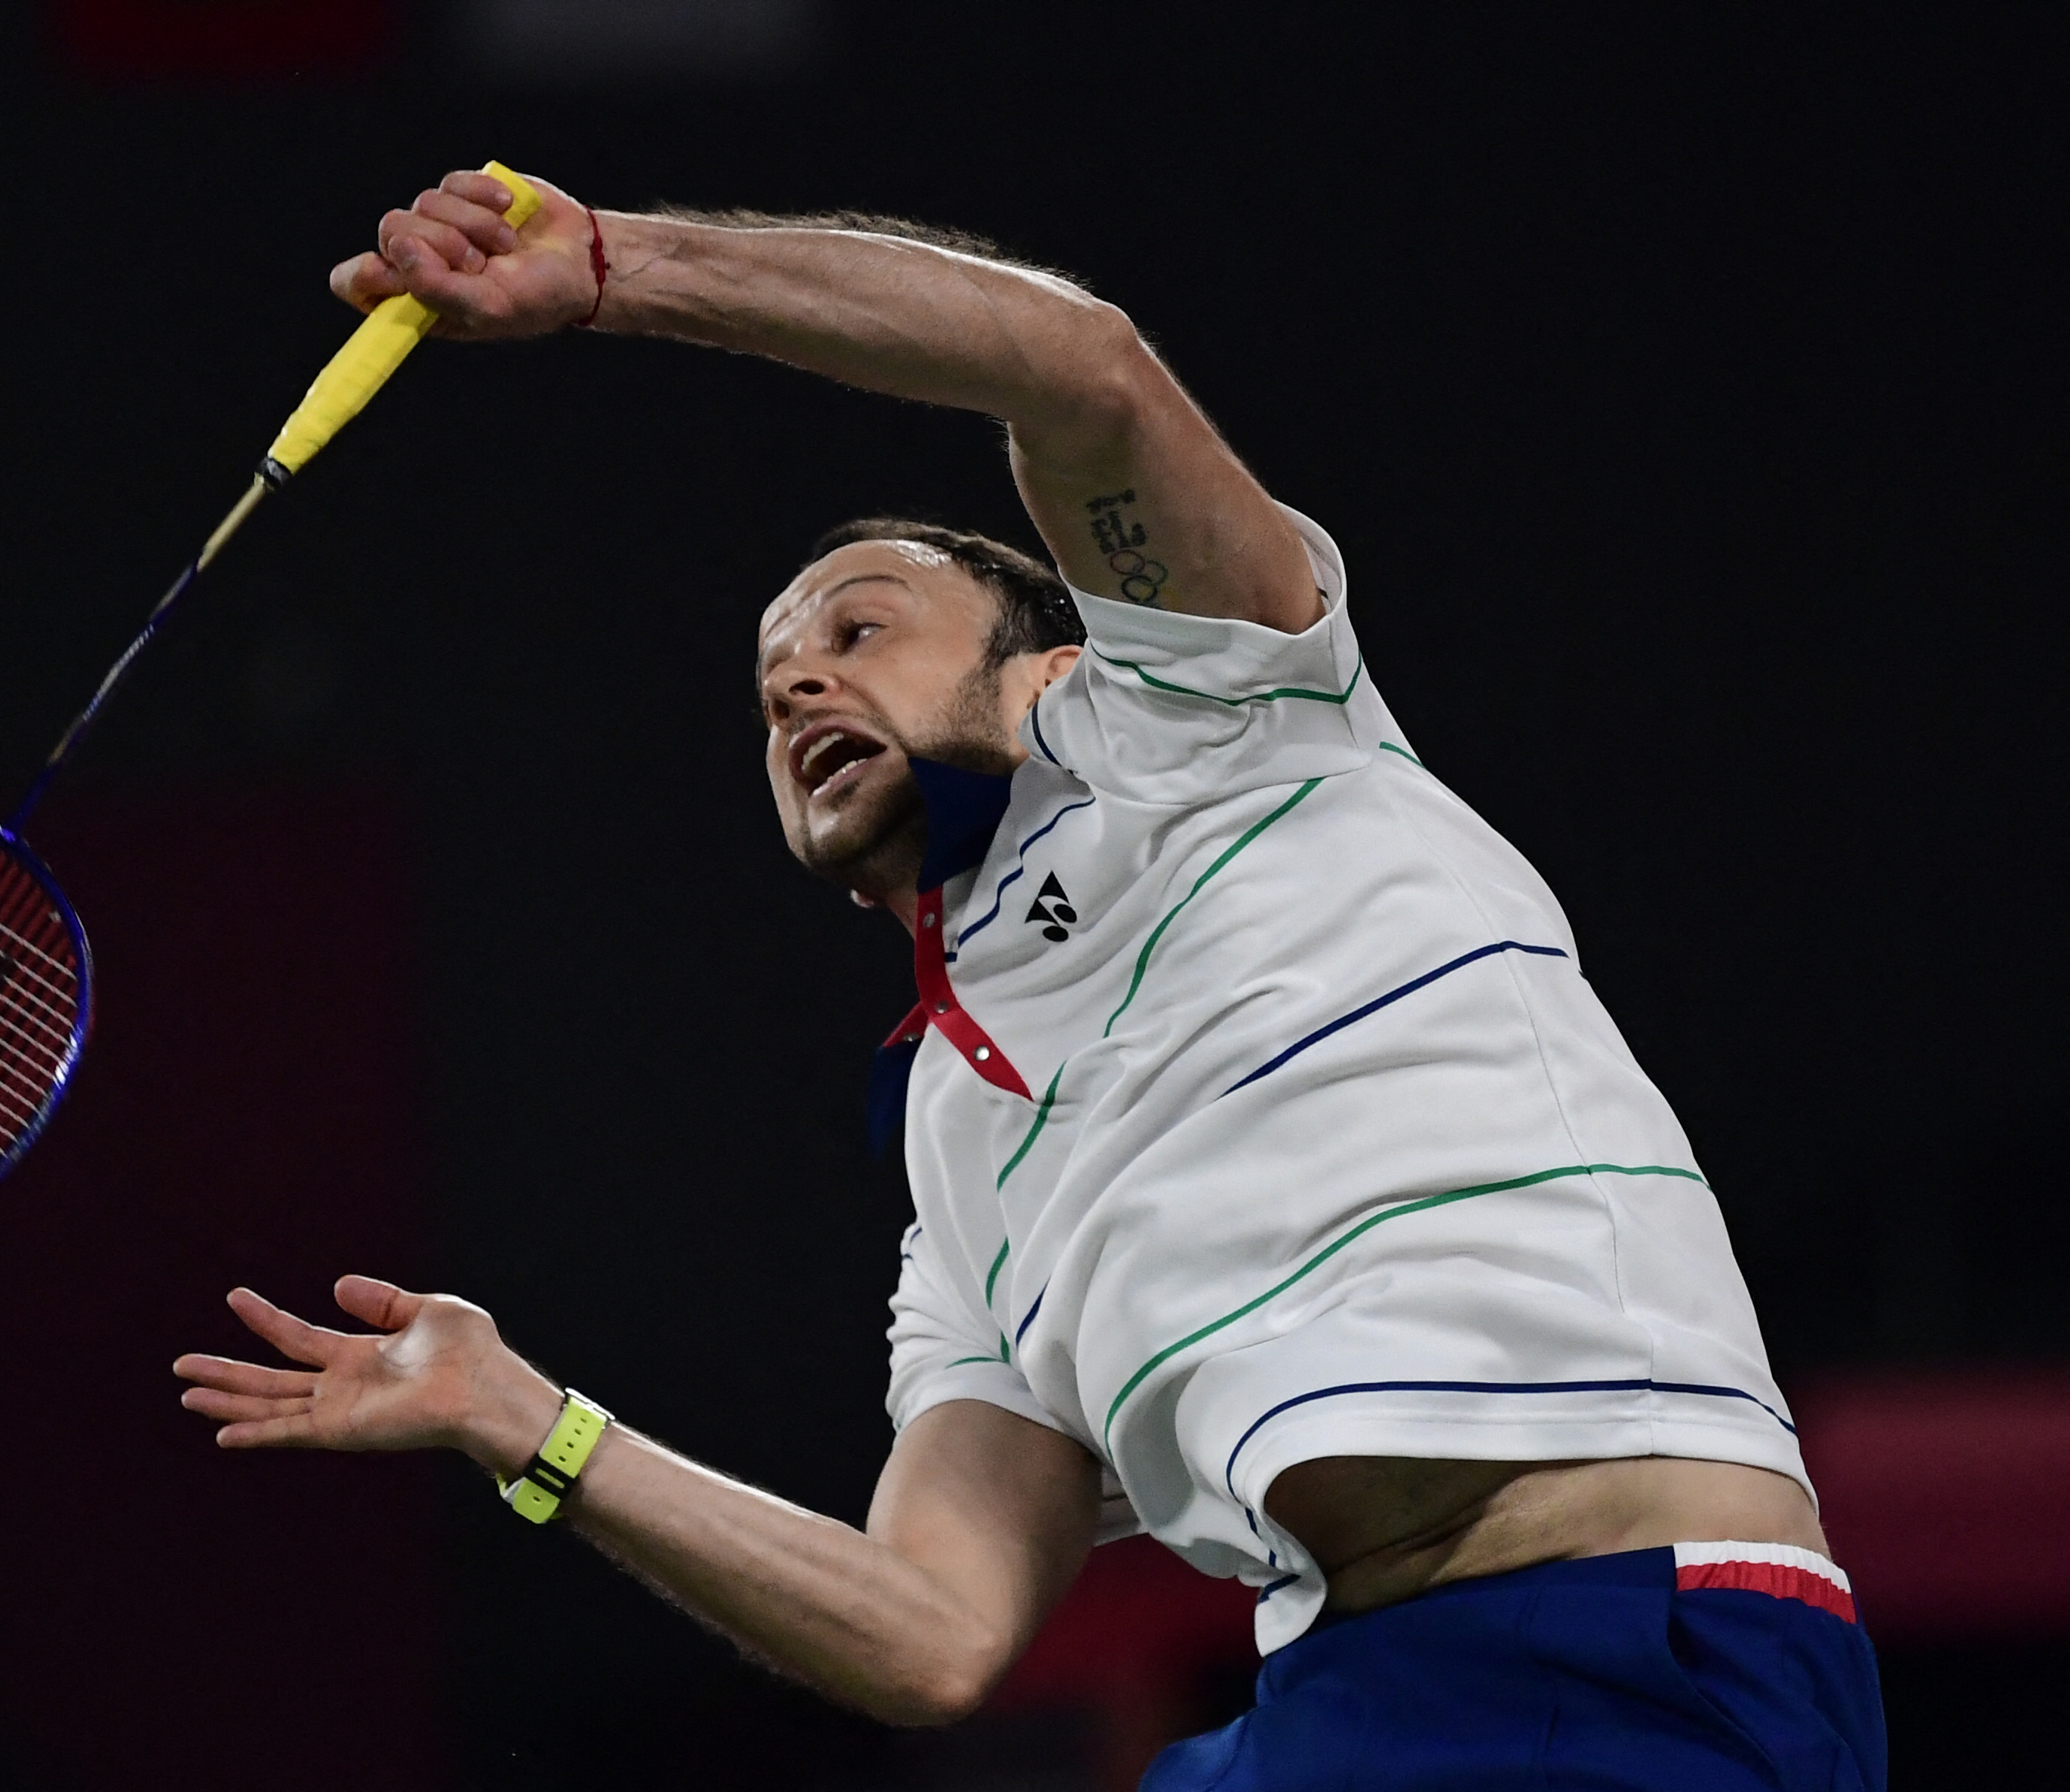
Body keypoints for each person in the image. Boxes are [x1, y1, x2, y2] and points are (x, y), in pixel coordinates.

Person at [173, 168, 1886, 1790]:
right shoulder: (957, 1161)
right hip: (1340, 1695)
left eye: (858, 627)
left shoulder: (1223, 725)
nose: (797, 691)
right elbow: (927, 1634)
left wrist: (620, 268)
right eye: (770, 683)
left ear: (1060, 653)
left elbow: (1079, 367)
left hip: (1631, 1642)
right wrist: (526, 1424)